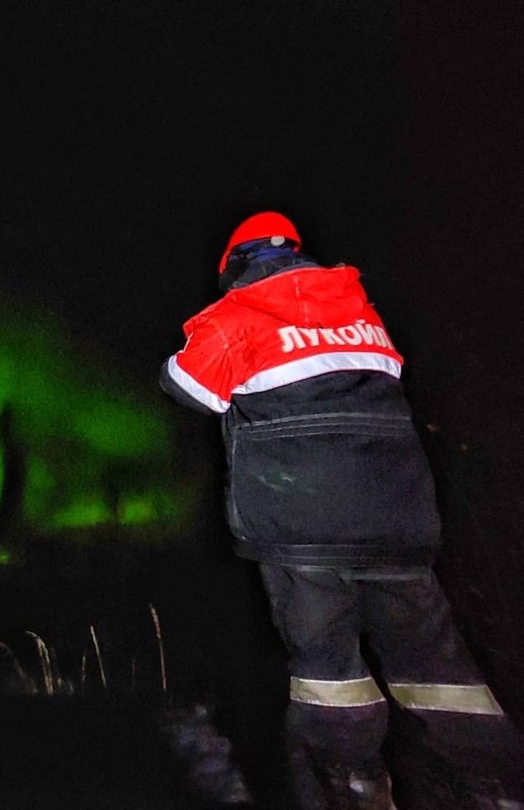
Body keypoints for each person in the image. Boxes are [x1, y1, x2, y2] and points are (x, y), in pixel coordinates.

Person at [158, 211, 523, 809]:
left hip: (304, 528)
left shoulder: (238, 314)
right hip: (399, 516)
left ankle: (354, 781)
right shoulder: (359, 311)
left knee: (329, 668)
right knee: (435, 664)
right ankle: (499, 778)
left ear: (234, 265)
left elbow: (188, 387)